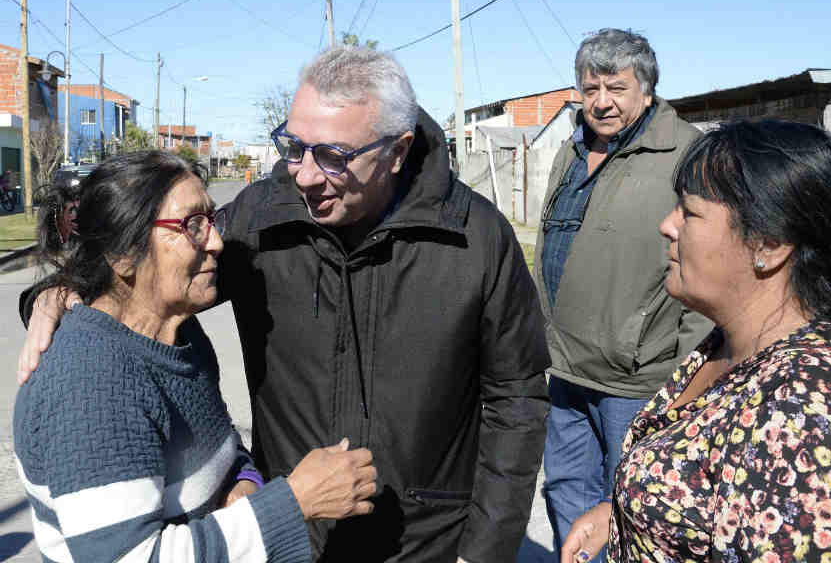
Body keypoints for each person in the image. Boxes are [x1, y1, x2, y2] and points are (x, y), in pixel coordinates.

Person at [20, 46, 551, 562]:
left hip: (426, 542)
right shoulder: (263, 215)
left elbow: (518, 399)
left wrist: (485, 550)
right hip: (291, 540)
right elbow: (148, 277)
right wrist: (58, 294)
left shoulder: (475, 237)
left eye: (333, 156)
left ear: (397, 150)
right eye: (294, 147)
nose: (304, 173)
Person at [14, 151, 378, 563]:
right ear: (122, 255)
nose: (217, 242)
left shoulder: (181, 333)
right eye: (192, 225)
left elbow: (219, 451)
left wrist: (242, 482)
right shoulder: (92, 383)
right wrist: (294, 503)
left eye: (212, 220)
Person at [562, 120, 831, 562]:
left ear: (770, 244)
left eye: (690, 211)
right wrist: (627, 513)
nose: (667, 225)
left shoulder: (813, 413)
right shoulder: (732, 343)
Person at [535, 28, 713, 560]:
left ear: (647, 89)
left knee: (639, 506)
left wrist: (688, 372)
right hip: (565, 370)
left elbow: (709, 269)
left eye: (615, 86)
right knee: (566, 497)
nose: (601, 101)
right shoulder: (571, 150)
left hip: (639, 379)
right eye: (590, 88)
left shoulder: (688, 152)